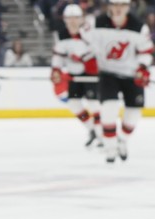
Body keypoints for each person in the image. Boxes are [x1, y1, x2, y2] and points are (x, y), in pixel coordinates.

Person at [87, 0, 152, 163]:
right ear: (109, 6)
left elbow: (146, 51)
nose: (117, 9)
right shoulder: (97, 23)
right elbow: (89, 46)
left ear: (128, 7)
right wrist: (89, 59)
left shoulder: (139, 26)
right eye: (114, 5)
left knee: (134, 114)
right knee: (109, 108)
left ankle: (122, 140)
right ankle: (110, 148)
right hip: (108, 73)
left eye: (121, 5)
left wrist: (142, 67)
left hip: (131, 75)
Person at [51, 4, 103, 148]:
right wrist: (56, 71)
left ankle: (101, 134)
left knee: (94, 104)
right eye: (69, 18)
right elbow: (58, 56)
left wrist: (84, 59)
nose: (73, 21)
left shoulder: (88, 32)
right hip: (74, 75)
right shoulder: (60, 34)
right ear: (65, 19)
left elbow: (98, 51)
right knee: (74, 104)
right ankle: (92, 129)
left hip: (90, 74)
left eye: (76, 18)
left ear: (81, 18)